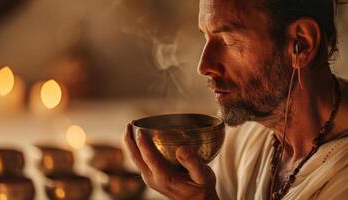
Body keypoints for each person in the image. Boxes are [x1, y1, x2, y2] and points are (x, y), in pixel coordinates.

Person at [124, 0, 348, 199]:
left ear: (302, 43)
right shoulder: (242, 140)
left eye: (229, 40)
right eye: (206, 35)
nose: (204, 66)